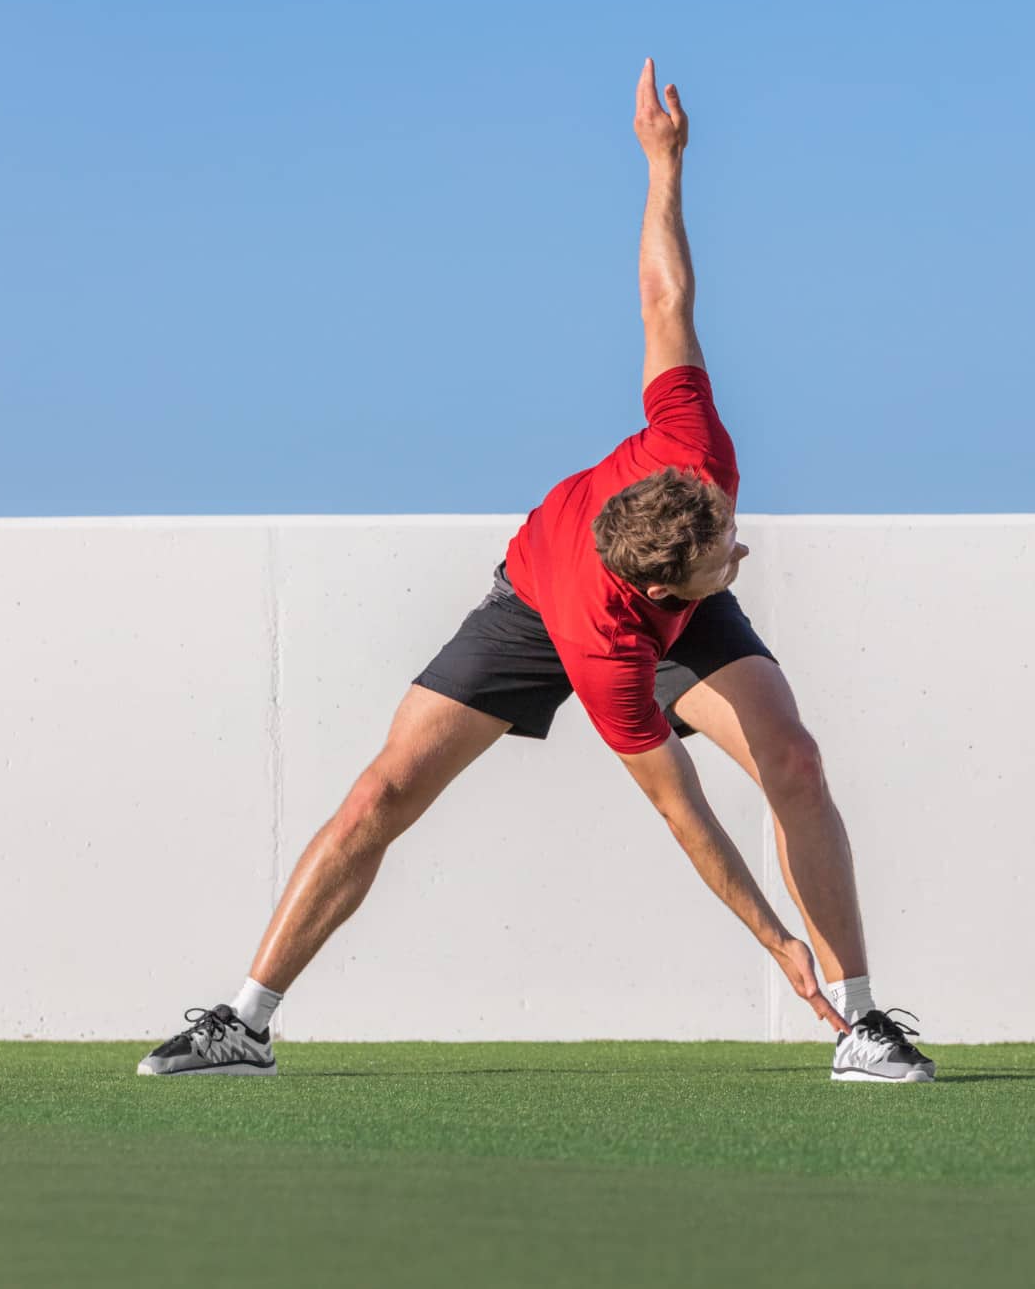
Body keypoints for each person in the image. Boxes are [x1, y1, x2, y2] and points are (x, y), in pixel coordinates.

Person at [139, 60, 933, 1084]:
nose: (742, 550)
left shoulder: (692, 451)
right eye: (723, 559)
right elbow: (681, 814)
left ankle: (862, 1025)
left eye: (727, 534)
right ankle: (242, 1025)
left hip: (643, 599)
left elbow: (663, 295)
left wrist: (662, 162)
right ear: (661, 592)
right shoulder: (607, 651)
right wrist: (772, 942)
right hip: (536, 608)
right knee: (382, 791)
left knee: (794, 762)